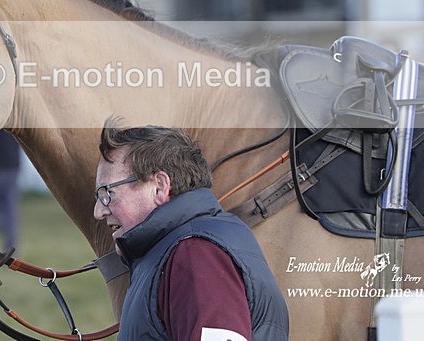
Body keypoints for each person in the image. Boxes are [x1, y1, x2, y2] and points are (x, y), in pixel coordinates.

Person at [94, 118, 289, 341]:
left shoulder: (196, 254)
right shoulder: (177, 251)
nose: (98, 211)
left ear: (160, 187)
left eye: (107, 194)